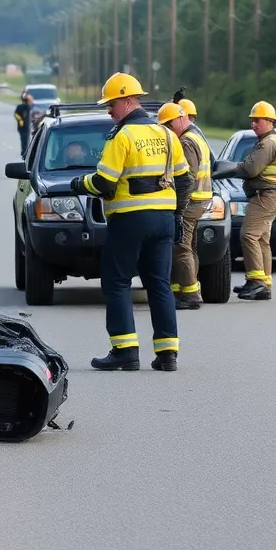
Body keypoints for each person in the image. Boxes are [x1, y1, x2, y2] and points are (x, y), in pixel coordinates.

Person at [70, 73, 191, 372]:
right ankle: (167, 354)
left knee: (117, 282)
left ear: (127, 100)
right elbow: (185, 179)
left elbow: (105, 183)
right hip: (163, 220)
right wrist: (176, 216)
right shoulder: (165, 134)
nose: (109, 111)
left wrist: (79, 183)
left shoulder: (121, 136)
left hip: (130, 220)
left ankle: (125, 350)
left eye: (111, 104)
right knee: (160, 284)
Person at [227, 101, 276, 301]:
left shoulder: (267, 144)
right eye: (252, 121)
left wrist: (234, 167)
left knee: (248, 235)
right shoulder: (272, 141)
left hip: (265, 196)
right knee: (261, 239)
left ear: (270, 121)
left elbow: (250, 169)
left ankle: (256, 282)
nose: (254, 124)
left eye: (257, 120)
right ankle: (264, 283)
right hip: (270, 195)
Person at [157, 96, 212, 310]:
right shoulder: (196, 136)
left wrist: (178, 209)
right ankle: (186, 288)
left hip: (191, 201)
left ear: (178, 121)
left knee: (180, 247)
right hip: (200, 200)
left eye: (169, 126)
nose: (169, 132)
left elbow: (186, 178)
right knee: (190, 247)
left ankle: (189, 294)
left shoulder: (187, 142)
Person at [13, 92, 34, 157]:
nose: (31, 102)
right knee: (24, 139)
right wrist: (20, 120)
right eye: (29, 101)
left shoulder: (28, 107)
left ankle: (26, 152)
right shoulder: (21, 107)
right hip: (21, 127)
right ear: (26, 101)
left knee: (27, 140)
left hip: (27, 127)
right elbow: (16, 114)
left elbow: (32, 106)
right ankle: (24, 152)